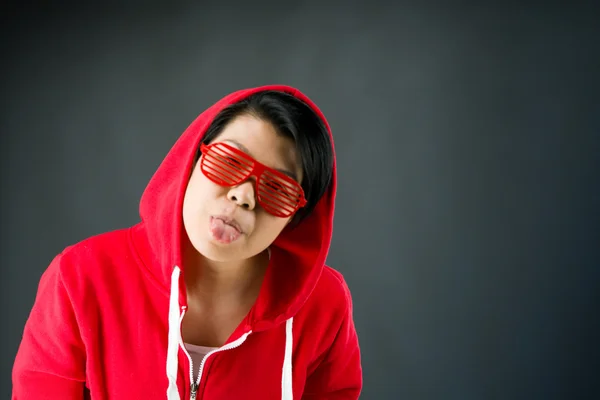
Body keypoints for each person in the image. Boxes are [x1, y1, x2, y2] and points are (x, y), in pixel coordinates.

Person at [12, 85, 362, 399]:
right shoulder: (80, 277)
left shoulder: (323, 305)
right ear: (191, 158)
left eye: (277, 190)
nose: (243, 196)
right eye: (228, 162)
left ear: (296, 219)